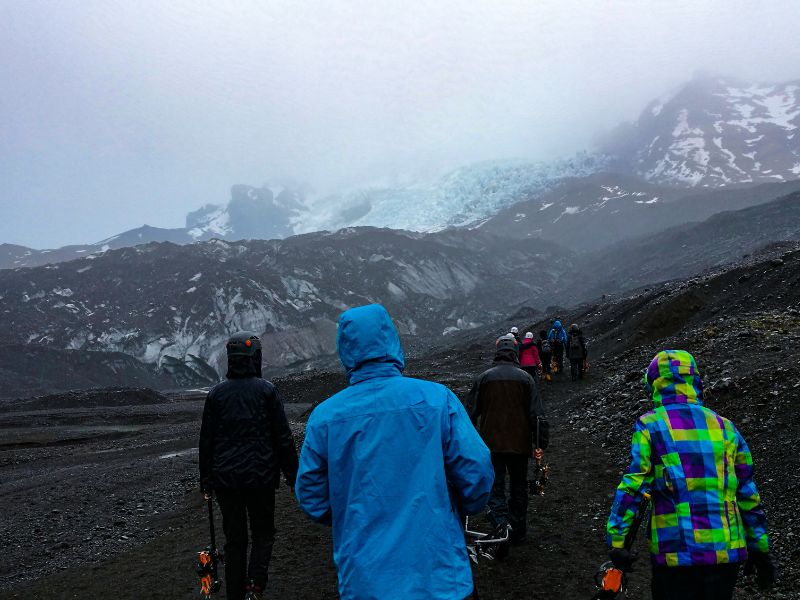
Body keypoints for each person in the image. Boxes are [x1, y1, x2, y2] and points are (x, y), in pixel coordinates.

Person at [295, 304, 494, 600]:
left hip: (365, 581)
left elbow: (310, 494)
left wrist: (350, 515)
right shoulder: (437, 400)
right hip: (438, 574)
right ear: (390, 339)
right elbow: (476, 470)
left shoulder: (325, 417)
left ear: (345, 350)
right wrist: (458, 507)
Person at [606, 350, 775, 600]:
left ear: (654, 384)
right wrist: (760, 549)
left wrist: (618, 541)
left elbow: (634, 486)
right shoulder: (726, 427)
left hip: (676, 555)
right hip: (725, 553)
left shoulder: (650, 425)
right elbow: (747, 492)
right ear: (695, 380)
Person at [199, 332, 299, 600]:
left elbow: (206, 441)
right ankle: (254, 585)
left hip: (226, 481)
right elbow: (283, 438)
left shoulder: (216, 394)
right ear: (255, 357)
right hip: (261, 478)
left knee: (235, 541)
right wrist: (294, 476)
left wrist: (206, 481)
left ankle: (234, 594)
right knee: (263, 532)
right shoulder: (266, 390)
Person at [467, 335, 549, 549]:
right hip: (520, 446)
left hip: (490, 446)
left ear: (497, 352)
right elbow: (537, 415)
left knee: (496, 487)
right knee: (518, 488)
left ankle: (500, 526)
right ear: (514, 352)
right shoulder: (526, 379)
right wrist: (540, 443)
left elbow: (470, 412)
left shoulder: (484, 378)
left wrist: (469, 443)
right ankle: (518, 532)